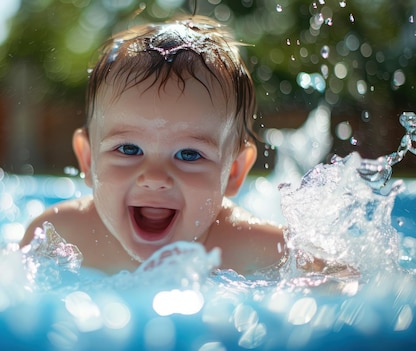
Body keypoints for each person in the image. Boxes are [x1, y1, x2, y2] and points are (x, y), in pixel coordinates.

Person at [20, 15, 285, 275]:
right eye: (128, 149)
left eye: (189, 154)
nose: (155, 178)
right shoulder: (58, 236)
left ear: (234, 172)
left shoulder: (261, 251)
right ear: (89, 161)